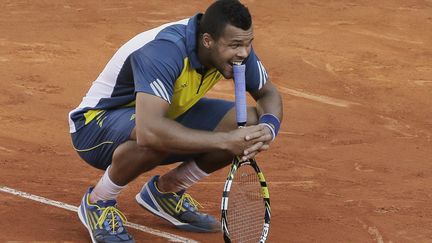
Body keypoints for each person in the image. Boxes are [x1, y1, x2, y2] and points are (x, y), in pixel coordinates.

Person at [68, 0, 283, 242]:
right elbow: (150, 132)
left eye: (248, 43)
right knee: (158, 136)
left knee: (249, 126)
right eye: (235, 45)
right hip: (95, 126)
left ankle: (165, 193)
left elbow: (268, 94)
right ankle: (98, 202)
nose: (243, 53)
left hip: (159, 116)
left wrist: (268, 128)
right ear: (207, 41)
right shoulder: (164, 50)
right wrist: (224, 141)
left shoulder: (235, 51)